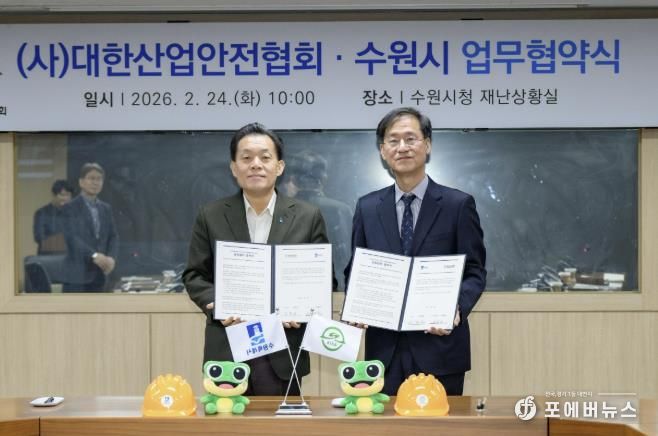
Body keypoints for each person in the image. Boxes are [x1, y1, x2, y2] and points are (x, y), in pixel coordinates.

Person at [344, 107, 487, 396]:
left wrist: (456, 308)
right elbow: (356, 268)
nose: (402, 147)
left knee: (441, 421)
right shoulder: (367, 207)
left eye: (411, 139)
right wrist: (357, 304)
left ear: (427, 145)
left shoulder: (458, 205)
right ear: (382, 151)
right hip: (384, 352)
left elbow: (474, 271)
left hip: (440, 348)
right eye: (393, 140)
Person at [183, 123, 332, 396]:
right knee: (226, 419)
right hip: (229, 348)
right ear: (233, 167)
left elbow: (324, 280)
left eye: (265, 157)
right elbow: (195, 275)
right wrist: (218, 305)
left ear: (279, 166)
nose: (255, 164)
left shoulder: (308, 216)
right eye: (246, 157)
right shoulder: (211, 215)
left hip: (283, 350)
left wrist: (301, 308)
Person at [280, 150, 353, 290]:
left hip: (289, 289)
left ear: (293, 179)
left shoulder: (280, 212)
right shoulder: (341, 210)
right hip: (334, 290)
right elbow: (346, 258)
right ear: (324, 178)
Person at [61, 163, 119, 292]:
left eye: (99, 179)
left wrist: (111, 258)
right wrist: (94, 255)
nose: (95, 182)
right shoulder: (70, 208)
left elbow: (113, 236)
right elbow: (71, 238)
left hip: (102, 275)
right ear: (81, 182)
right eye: (91, 178)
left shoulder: (106, 208)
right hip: (77, 276)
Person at [33, 179, 73, 254]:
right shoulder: (42, 213)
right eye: (62, 195)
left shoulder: (75, 214)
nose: (65, 198)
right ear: (53, 195)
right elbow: (39, 238)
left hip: (71, 258)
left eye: (68, 195)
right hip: (49, 257)